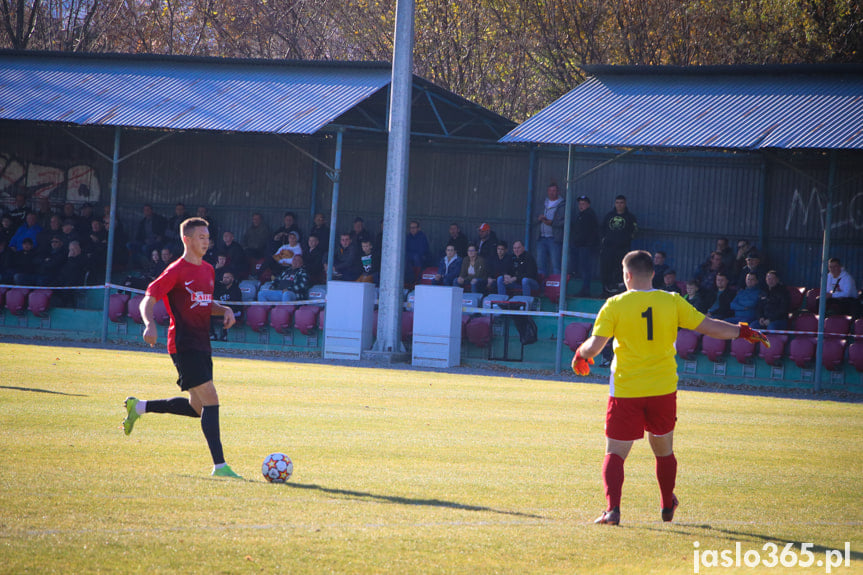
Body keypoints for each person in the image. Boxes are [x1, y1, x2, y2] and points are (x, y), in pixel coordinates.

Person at [571, 250, 769, 526]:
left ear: (626, 275)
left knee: (615, 452)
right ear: (653, 274)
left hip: (627, 390)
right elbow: (710, 327)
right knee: (663, 449)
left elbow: (594, 346)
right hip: (662, 389)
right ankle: (666, 503)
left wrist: (580, 354)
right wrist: (742, 331)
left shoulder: (614, 304)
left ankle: (612, 510)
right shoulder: (672, 301)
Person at [122, 217, 241, 479]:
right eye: (201, 237)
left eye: (208, 237)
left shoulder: (209, 270)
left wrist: (225, 310)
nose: (206, 241)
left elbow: (205, 304)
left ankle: (138, 407)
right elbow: (149, 298)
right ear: (186, 239)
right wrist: (149, 323)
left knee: (198, 408)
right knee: (212, 400)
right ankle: (220, 467)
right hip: (183, 344)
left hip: (203, 344)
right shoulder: (176, 270)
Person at [600, 195, 638, 296]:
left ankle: (619, 292)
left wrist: (625, 240)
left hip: (622, 249)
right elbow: (602, 229)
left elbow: (634, 231)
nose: (619, 205)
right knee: (607, 269)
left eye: (621, 203)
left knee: (621, 270)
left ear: (625, 204)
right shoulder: (609, 216)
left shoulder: (630, 217)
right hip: (608, 248)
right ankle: (605, 291)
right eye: (617, 202)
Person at [570, 195, 599, 297]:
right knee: (583, 268)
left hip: (586, 246)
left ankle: (586, 290)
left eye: (583, 204)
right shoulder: (581, 215)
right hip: (581, 246)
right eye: (580, 204)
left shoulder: (588, 215)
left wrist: (582, 243)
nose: (581, 206)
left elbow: (588, 232)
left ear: (588, 205)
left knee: (585, 268)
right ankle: (584, 289)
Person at [536, 182, 565, 276]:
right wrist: (539, 218)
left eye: (554, 191)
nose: (552, 193)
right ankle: (541, 288)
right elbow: (533, 217)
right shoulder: (543, 203)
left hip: (554, 238)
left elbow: (565, 222)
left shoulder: (562, 204)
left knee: (556, 265)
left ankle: (557, 289)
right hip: (542, 238)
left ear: (558, 192)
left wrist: (552, 223)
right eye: (550, 191)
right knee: (540, 265)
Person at [211, 270, 242, 341]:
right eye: (224, 277)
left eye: (227, 277)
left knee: (227, 313)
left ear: (232, 279)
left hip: (235, 311)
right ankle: (212, 334)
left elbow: (235, 304)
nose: (225, 279)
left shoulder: (236, 289)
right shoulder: (221, 289)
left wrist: (225, 308)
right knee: (208, 314)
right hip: (223, 310)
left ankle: (225, 335)